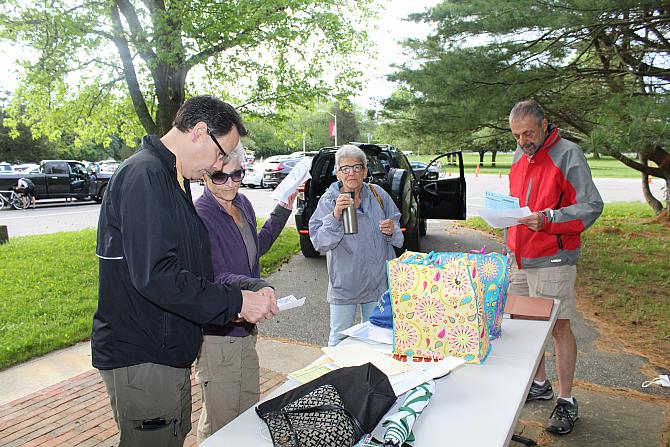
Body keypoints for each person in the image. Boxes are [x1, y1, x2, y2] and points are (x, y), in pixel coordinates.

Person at [92, 95, 279, 447]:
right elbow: (158, 276)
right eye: (220, 153)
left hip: (168, 349)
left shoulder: (172, 178)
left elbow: (194, 267)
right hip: (142, 351)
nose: (218, 165)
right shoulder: (145, 176)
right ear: (199, 132)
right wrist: (236, 303)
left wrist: (248, 287)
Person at [506, 100, 603, 435]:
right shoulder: (520, 154)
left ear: (544, 124)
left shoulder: (568, 153)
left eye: (528, 133)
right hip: (519, 255)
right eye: (517, 135)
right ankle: (541, 383)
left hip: (553, 257)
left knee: (558, 328)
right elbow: (519, 203)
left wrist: (549, 219)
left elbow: (591, 206)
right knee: (527, 326)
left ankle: (566, 400)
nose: (522, 141)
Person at [193, 145, 297, 442]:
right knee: (220, 424)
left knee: (247, 413)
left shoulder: (243, 205)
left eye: (236, 174)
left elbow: (255, 249)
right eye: (219, 176)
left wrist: (282, 210)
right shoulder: (201, 215)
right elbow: (216, 274)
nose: (230, 183)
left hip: (246, 330)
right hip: (218, 333)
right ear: (205, 176)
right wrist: (257, 286)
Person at [309, 144, 403, 346]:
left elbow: (397, 228)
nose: (351, 172)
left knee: (375, 338)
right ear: (338, 173)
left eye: (357, 167)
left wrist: (391, 230)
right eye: (345, 168)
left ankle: (369, 376)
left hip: (377, 284)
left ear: (365, 171)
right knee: (339, 340)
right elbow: (319, 243)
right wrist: (335, 216)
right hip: (346, 285)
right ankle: (338, 377)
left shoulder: (378, 194)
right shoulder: (328, 201)